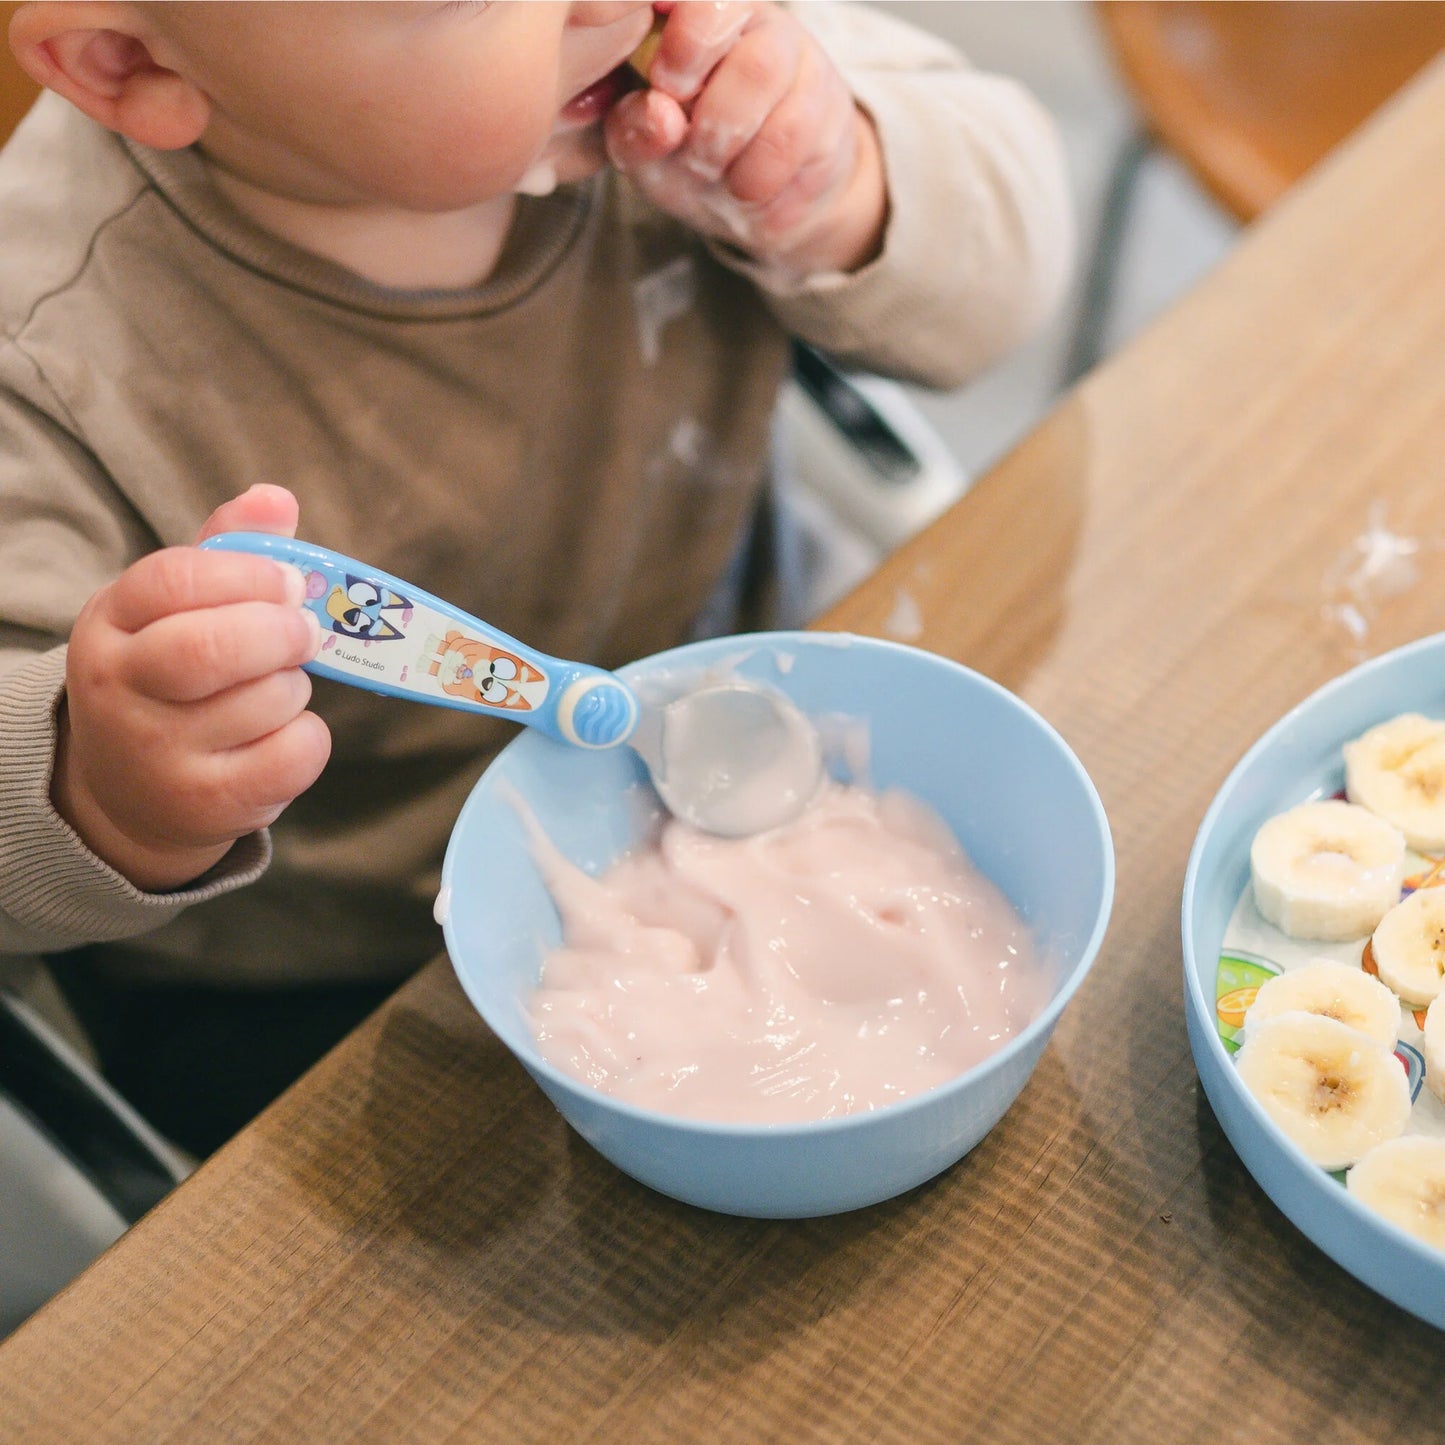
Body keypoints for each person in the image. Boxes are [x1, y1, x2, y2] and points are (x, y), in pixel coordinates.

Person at [0, 1, 1072, 1152]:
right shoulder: (49, 355)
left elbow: (1009, 262)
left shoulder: (671, 77)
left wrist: (841, 185)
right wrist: (102, 789)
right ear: (133, 60)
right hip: (340, 979)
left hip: (771, 742)